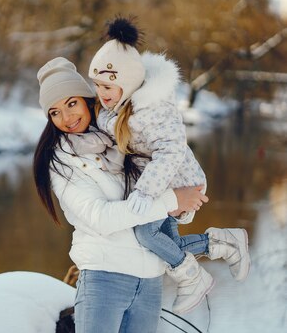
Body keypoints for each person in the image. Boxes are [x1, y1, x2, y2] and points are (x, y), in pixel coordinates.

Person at [33, 56, 208, 333]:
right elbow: (100, 217)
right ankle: (216, 243)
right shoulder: (63, 161)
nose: (66, 117)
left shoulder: (125, 137)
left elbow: (172, 196)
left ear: (88, 99)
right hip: (105, 279)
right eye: (54, 112)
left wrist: (182, 206)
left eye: (71, 103)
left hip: (150, 281)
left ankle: (219, 243)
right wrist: (171, 200)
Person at [87, 16, 251, 314]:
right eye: (97, 85)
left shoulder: (155, 108)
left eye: (108, 85)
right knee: (164, 245)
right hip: (163, 183)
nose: (102, 92)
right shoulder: (116, 109)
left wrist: (146, 193)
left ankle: (194, 275)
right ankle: (223, 243)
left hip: (179, 182)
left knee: (146, 235)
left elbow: (172, 152)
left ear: (128, 82)